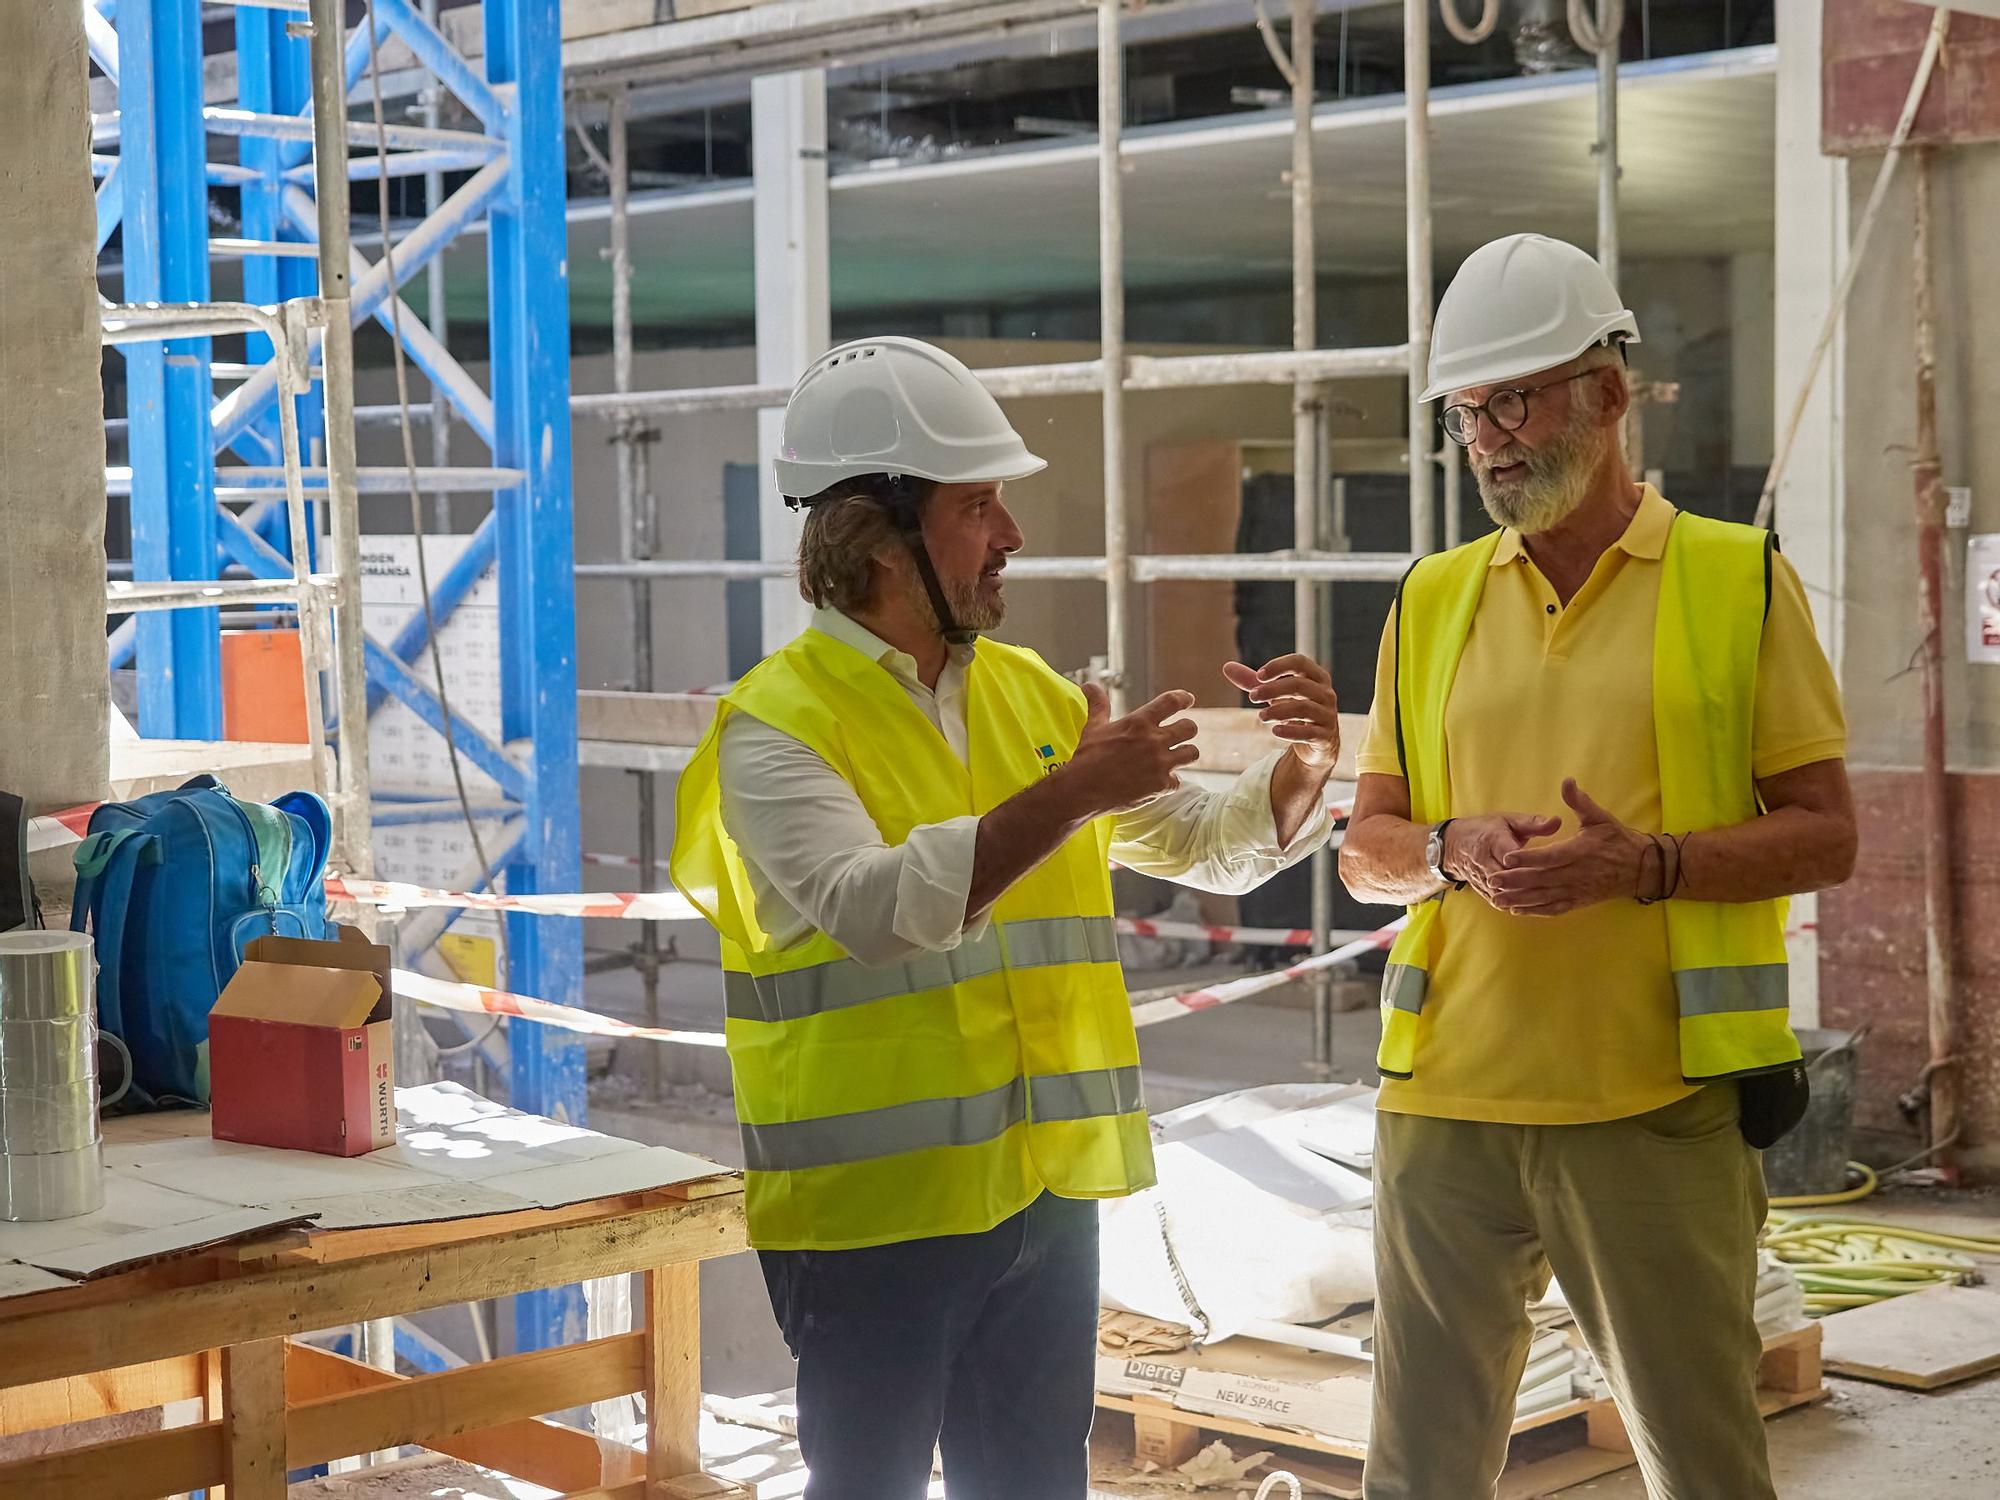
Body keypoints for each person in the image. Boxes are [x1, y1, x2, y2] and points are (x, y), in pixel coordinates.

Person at [670, 335, 1343, 1500]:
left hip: (1040, 1197)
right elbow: (875, 909)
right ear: (877, 537)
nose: (1011, 535)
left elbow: (1187, 843)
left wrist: (1303, 771)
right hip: (872, 1218)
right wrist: (1074, 788)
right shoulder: (772, 728)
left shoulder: (1028, 694)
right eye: (978, 505)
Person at [1339, 233, 1857, 1500]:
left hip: (1652, 1112)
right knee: (1414, 1475)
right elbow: (1367, 848)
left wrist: (1652, 866)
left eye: (1514, 397)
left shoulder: (1735, 581)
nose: (1490, 437)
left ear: (1608, 392)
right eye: (1467, 410)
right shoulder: (1433, 596)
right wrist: (1450, 852)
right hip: (1445, 1108)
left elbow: (1827, 833)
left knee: (1703, 1465)